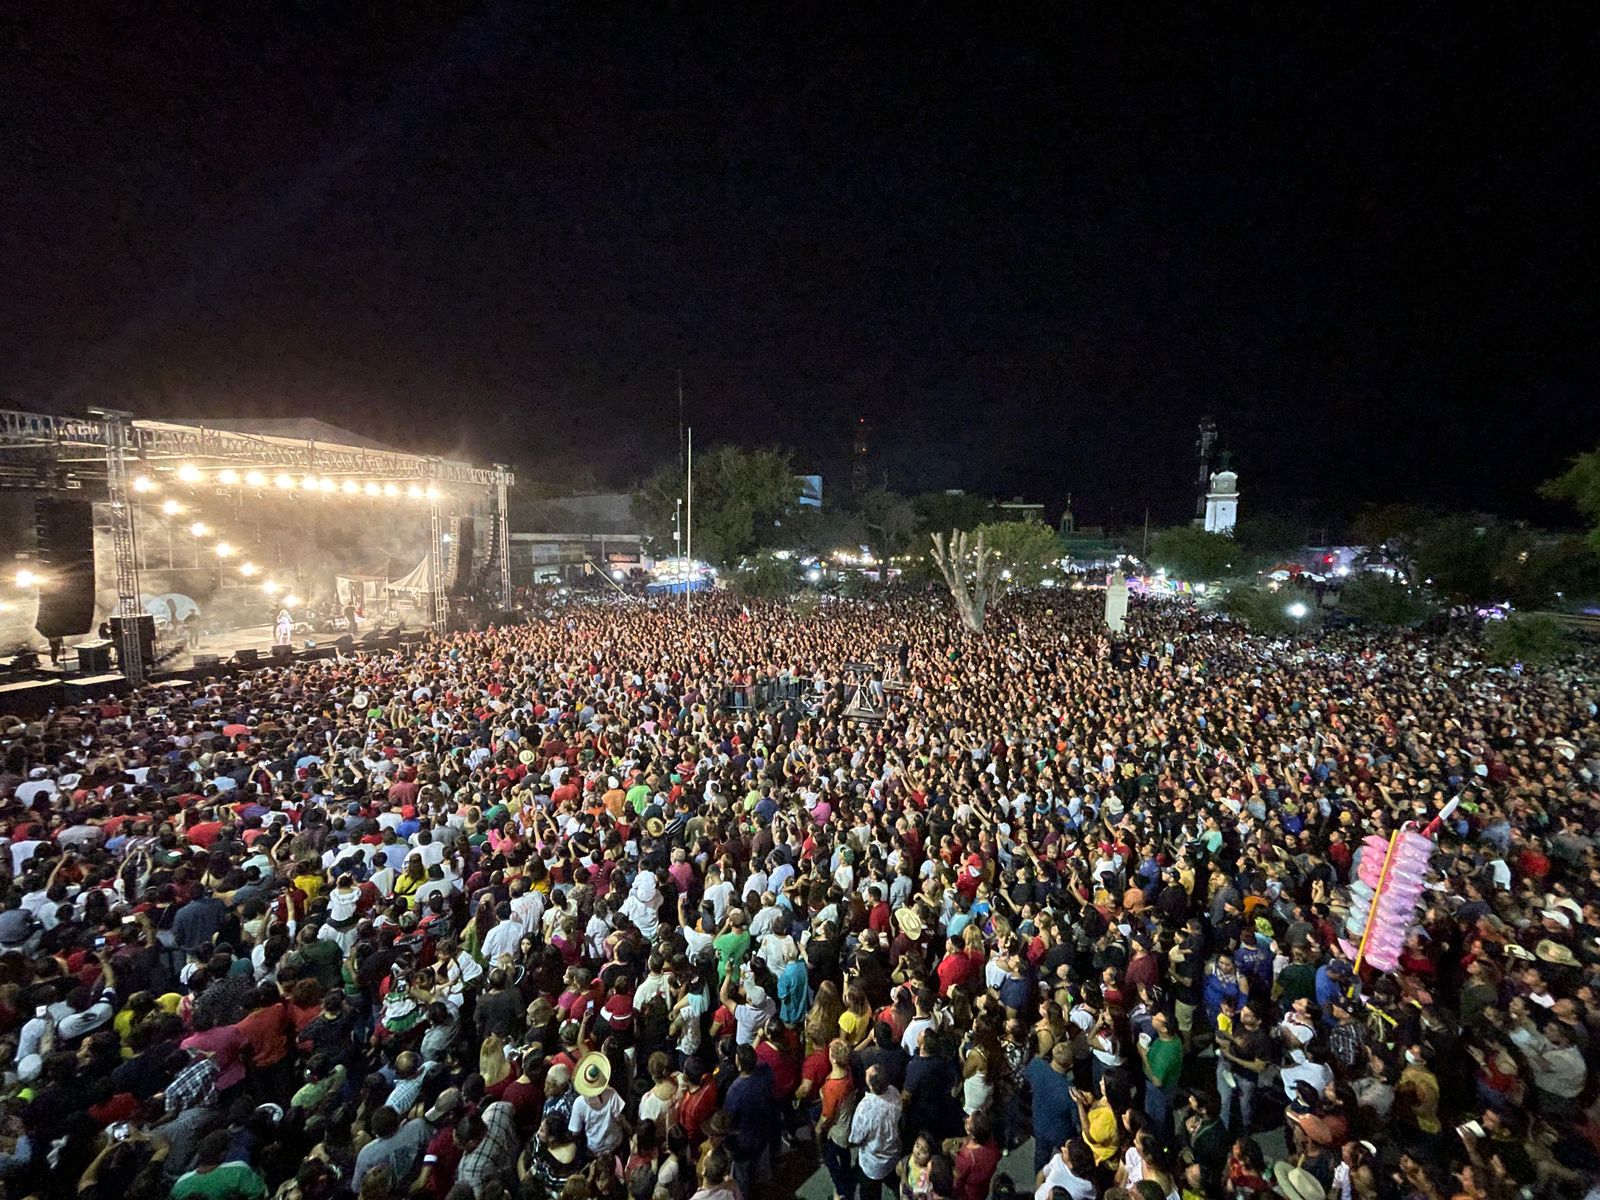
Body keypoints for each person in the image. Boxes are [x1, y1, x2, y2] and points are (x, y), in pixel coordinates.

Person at [850, 1064, 903, 1200]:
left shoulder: (865, 1108)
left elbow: (855, 1138)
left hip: (872, 1163)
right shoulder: (894, 1092)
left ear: (871, 1086)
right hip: (893, 1153)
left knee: (870, 1194)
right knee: (894, 1182)